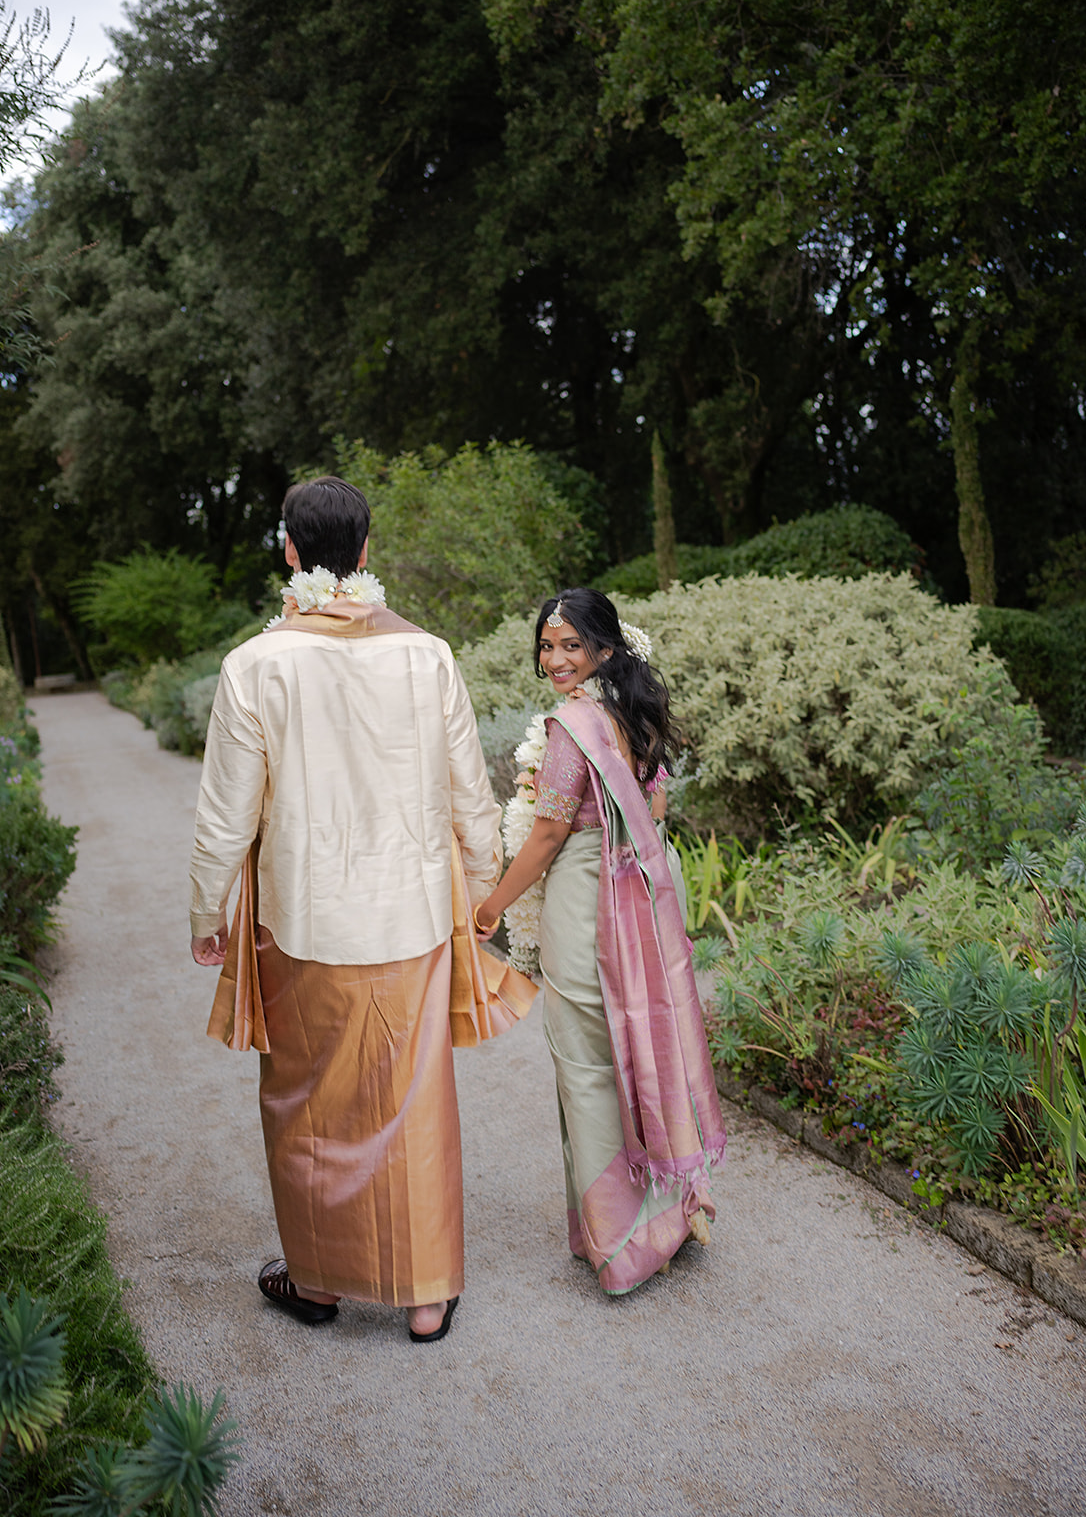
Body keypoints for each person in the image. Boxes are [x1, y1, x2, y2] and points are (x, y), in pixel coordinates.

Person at [189, 474, 519, 1341]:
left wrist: (204, 911)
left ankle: (320, 1284)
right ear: (366, 553)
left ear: (290, 552)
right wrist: (484, 889)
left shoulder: (254, 663)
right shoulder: (428, 654)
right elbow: (467, 792)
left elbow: (227, 810)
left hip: (301, 917)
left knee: (305, 1102)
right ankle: (424, 1297)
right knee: (414, 1099)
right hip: (410, 916)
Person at [473, 588, 726, 1293]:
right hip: (642, 892)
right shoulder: (632, 716)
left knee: (587, 1064)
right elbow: (656, 809)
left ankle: (619, 1243)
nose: (555, 659)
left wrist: (491, 905)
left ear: (604, 651)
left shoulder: (573, 726)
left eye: (570, 646)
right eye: (547, 646)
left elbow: (550, 832)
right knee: (642, 1047)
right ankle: (671, 1215)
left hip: (587, 896)